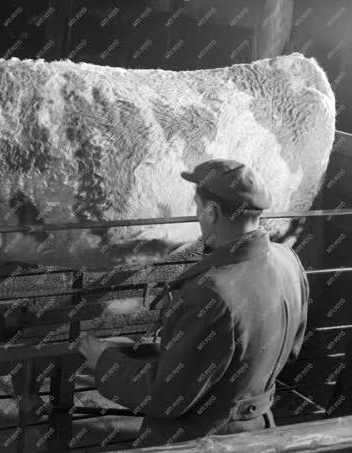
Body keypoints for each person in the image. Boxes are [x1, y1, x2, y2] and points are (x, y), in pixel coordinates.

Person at [78, 158, 309, 447]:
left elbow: (167, 397)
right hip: (258, 433)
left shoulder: (212, 292)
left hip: (200, 439)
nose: (197, 215)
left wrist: (104, 361)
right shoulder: (289, 261)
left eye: (198, 207)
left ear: (212, 212)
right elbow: (287, 352)